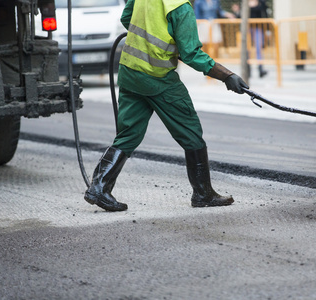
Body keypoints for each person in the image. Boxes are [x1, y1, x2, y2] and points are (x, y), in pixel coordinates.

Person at [84, 0, 249, 212]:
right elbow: (191, 54)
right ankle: (203, 193)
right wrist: (227, 76)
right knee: (190, 131)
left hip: (130, 71)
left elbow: (127, 18)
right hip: (157, 77)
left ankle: (99, 187)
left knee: (128, 135)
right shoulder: (180, 6)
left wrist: (151, 41)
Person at [249, 0, 268, 77]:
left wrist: (267, 29)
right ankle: (248, 68)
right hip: (248, 28)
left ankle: (260, 68)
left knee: (258, 48)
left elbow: (265, 14)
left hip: (258, 28)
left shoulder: (261, 2)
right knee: (248, 49)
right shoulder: (246, 2)